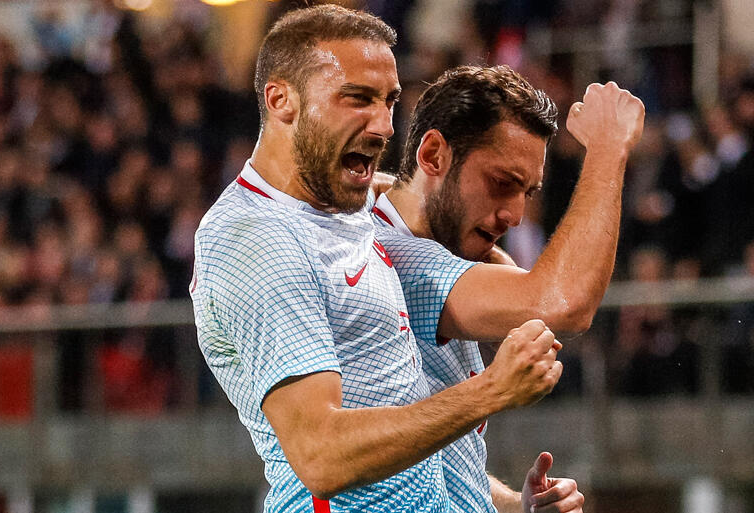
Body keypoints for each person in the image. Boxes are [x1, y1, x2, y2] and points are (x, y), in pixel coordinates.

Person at [189, 6, 563, 513]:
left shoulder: (344, 203)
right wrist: (489, 391)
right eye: (358, 98)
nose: (385, 126)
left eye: (390, 101)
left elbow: (407, 447)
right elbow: (321, 456)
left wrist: (509, 503)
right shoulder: (258, 241)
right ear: (281, 100)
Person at [372, 65, 645, 512]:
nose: (515, 215)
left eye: (527, 193)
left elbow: (441, 466)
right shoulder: (392, 256)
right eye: (502, 184)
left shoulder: (435, 251)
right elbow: (563, 303)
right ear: (433, 155)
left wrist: (516, 504)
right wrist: (609, 146)